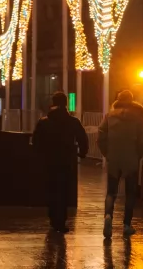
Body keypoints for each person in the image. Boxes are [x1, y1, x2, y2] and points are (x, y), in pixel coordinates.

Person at [33, 92, 89, 233]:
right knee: (63, 191)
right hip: (66, 160)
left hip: (49, 160)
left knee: (51, 189)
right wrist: (82, 153)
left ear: (53, 103)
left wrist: (40, 156)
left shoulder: (44, 122)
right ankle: (61, 221)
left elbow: (36, 141)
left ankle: (53, 218)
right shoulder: (73, 121)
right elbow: (83, 139)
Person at [98, 89, 143, 238]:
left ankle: (108, 216)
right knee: (130, 193)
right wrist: (138, 155)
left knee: (111, 192)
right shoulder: (139, 118)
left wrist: (107, 153)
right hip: (131, 158)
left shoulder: (109, 116)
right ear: (132, 101)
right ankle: (126, 225)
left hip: (114, 158)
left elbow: (101, 136)